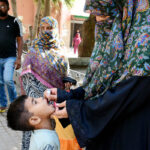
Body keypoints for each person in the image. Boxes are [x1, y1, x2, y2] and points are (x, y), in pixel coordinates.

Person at [44, 0, 150, 150]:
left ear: (123, 12)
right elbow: (100, 85)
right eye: (95, 16)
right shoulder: (119, 41)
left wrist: (79, 111)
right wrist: (68, 96)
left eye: (103, 15)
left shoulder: (143, 49)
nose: (98, 21)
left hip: (131, 133)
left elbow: (125, 95)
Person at [20, 16, 81, 150]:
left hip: (57, 104)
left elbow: (66, 73)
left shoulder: (61, 52)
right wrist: (40, 101)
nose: (46, 31)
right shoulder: (33, 52)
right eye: (43, 28)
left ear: (55, 30)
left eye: (50, 28)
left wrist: (67, 82)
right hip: (38, 104)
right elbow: (27, 78)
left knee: (54, 140)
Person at [0, 0, 23, 112]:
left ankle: (14, 103)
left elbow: (20, 40)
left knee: (8, 80)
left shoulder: (14, 21)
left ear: (8, 7)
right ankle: (3, 104)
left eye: (3, 5)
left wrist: (19, 58)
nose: (1, 8)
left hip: (10, 57)